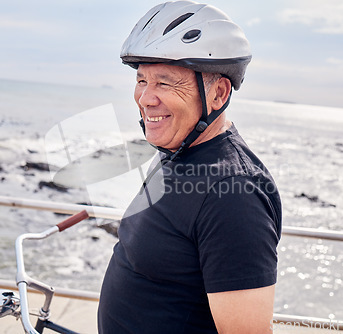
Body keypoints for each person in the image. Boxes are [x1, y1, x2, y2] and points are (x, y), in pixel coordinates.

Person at [98, 1, 282, 333]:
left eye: (164, 83)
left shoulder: (233, 194)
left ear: (218, 94)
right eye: (142, 81)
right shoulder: (175, 149)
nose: (145, 98)